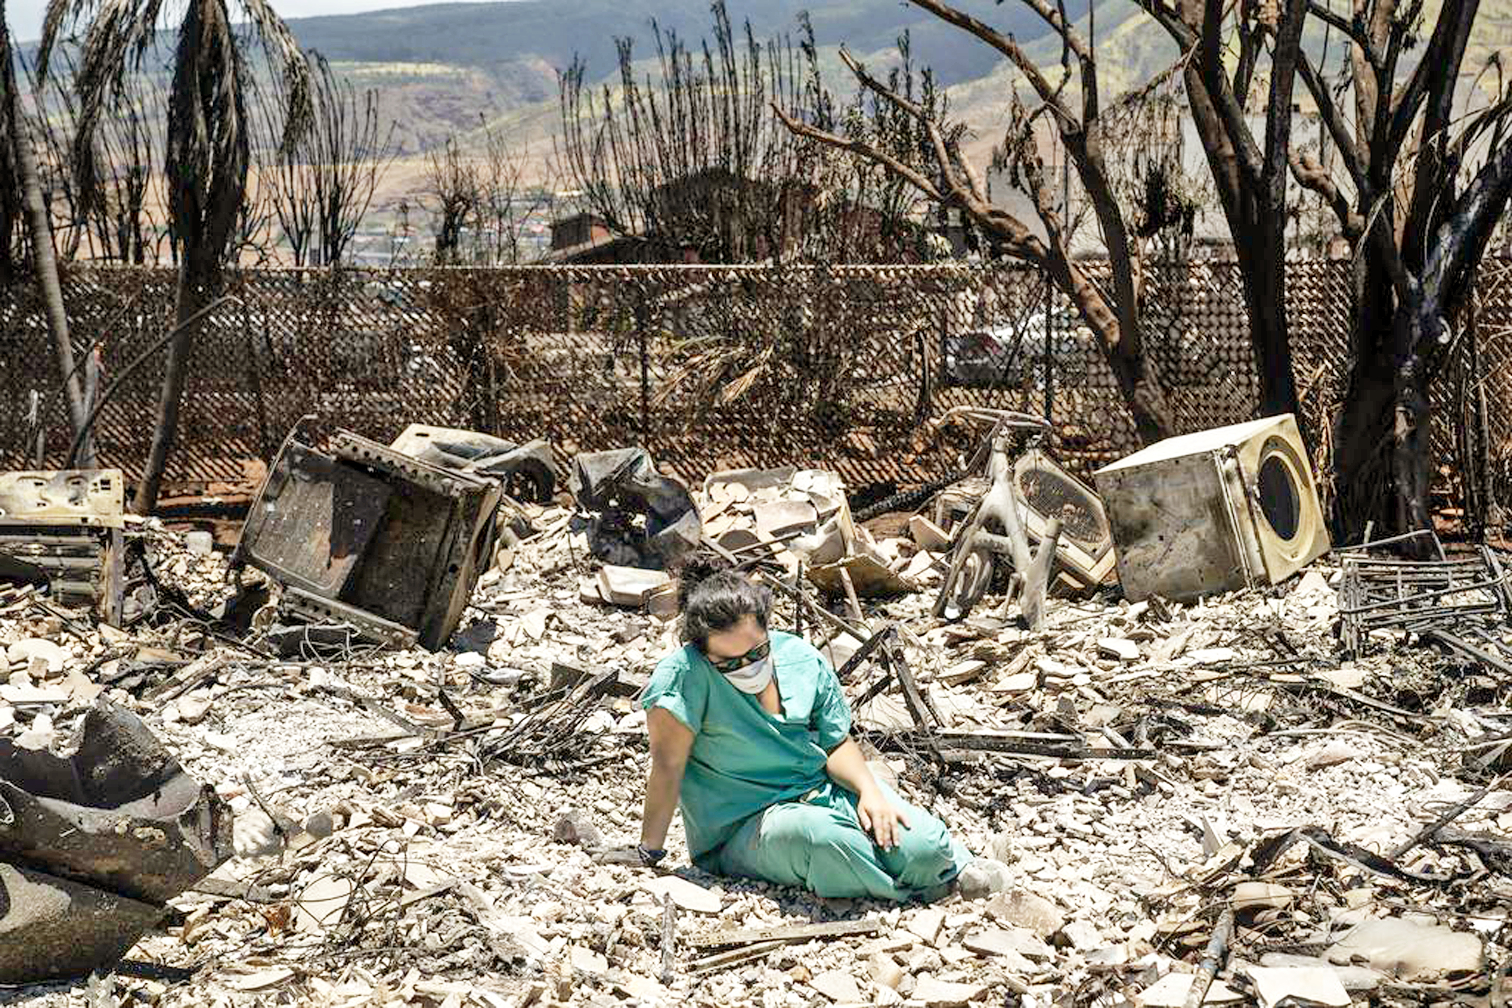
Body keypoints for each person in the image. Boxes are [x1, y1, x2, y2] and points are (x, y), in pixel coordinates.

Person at [616, 560, 985, 901]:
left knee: (923, 845)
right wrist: (650, 849)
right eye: (729, 662)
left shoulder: (800, 658)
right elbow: (668, 767)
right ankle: (925, 894)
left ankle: (940, 869)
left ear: (767, 629)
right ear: (702, 651)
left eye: (757, 653)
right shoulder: (683, 678)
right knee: (830, 843)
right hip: (743, 824)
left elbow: (836, 742)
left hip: (819, 789)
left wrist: (869, 791)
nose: (748, 667)